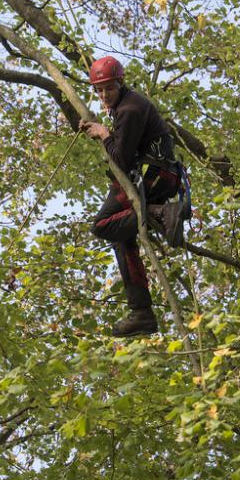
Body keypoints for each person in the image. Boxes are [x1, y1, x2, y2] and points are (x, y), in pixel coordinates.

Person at [80, 55, 185, 337]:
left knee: (102, 225)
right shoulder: (124, 106)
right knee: (119, 236)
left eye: (108, 89)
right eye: (99, 90)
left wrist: (103, 133)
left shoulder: (130, 109)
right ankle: (141, 311)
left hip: (153, 176)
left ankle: (161, 214)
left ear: (120, 83)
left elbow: (122, 159)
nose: (104, 95)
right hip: (152, 175)